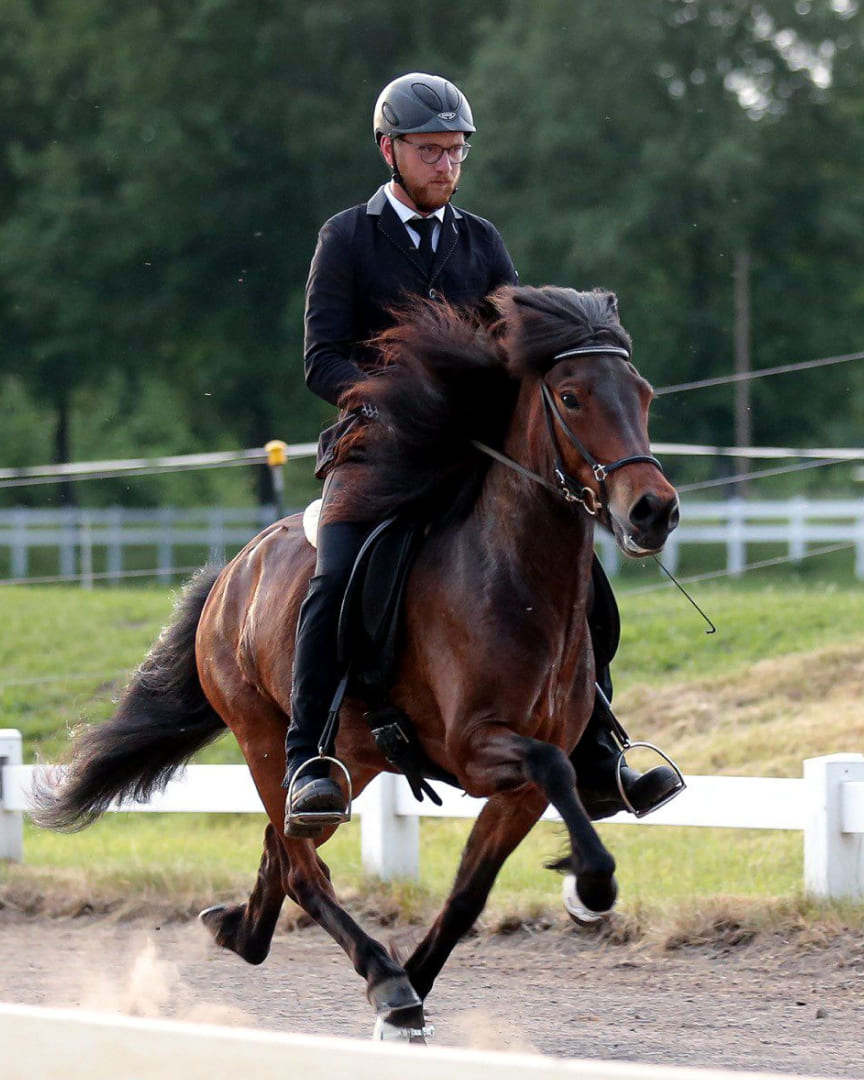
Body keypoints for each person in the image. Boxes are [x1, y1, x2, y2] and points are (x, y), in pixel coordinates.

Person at [283, 72, 681, 835]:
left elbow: (517, 352)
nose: (445, 165)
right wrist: (386, 395)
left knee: (581, 579)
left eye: (455, 152)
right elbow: (321, 361)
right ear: (388, 150)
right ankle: (310, 758)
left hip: (471, 451)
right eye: (430, 151)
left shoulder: (482, 240)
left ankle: (602, 748)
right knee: (334, 578)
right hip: (378, 447)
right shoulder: (347, 237)